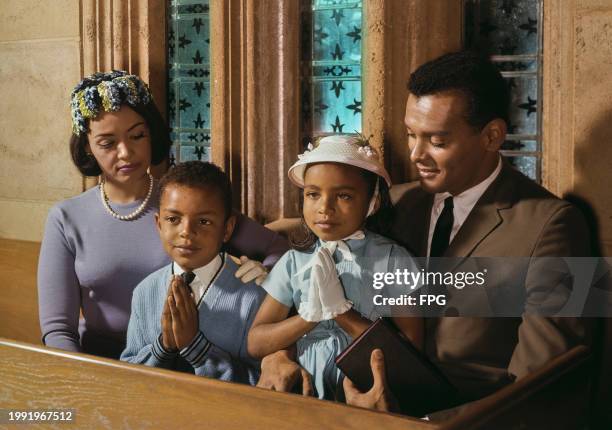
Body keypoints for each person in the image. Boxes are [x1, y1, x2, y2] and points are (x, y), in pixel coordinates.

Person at [260, 51, 592, 415]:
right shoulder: (392, 203)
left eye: (436, 141)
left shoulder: (556, 226)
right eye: (410, 135)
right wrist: (279, 353)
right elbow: (310, 278)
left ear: (492, 136)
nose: (416, 155)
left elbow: (540, 387)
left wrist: (419, 423)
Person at [38, 71, 288, 359]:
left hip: (188, 359)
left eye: (137, 135)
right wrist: (81, 380)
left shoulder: (184, 203)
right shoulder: (66, 218)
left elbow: (277, 249)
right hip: (100, 361)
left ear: (151, 133)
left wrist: (267, 275)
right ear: (87, 146)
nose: (126, 152)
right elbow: (58, 329)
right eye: (107, 143)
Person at [247, 135, 422, 400]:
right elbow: (256, 342)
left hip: (366, 393)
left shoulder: (394, 260)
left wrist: (341, 313)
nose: (324, 208)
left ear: (372, 201)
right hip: (305, 394)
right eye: (313, 194)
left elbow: (410, 353)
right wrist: (310, 316)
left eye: (343, 195)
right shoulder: (294, 261)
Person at [121, 162, 264, 384]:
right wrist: (163, 348)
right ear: (159, 224)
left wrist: (196, 347)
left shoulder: (254, 295)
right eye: (173, 219)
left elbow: (262, 383)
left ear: (227, 229)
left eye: (204, 221)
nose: (186, 232)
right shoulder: (145, 291)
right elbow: (127, 376)